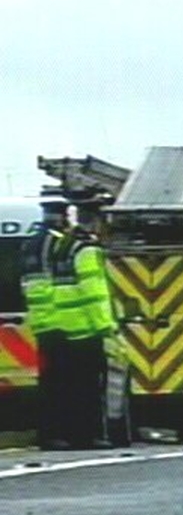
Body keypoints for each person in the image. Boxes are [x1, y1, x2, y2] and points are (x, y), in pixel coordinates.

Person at [51, 196, 117, 449]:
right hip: (86, 329)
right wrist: (105, 326)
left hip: (64, 326)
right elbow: (94, 292)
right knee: (90, 389)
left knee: (68, 387)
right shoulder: (87, 249)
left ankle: (70, 434)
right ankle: (89, 436)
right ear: (97, 222)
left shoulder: (64, 245)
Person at [20, 193, 70, 450]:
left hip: (40, 323)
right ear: (62, 216)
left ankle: (48, 434)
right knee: (62, 385)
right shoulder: (57, 243)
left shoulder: (31, 243)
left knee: (48, 382)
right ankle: (57, 434)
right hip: (60, 323)